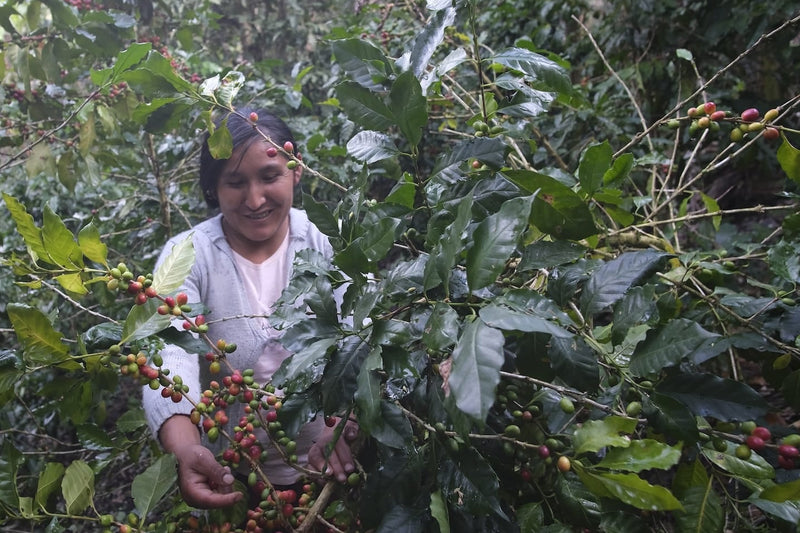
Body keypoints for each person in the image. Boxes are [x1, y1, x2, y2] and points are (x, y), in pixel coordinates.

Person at [141, 107, 357, 509]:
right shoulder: (189, 255)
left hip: (334, 470)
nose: (255, 199)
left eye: (270, 176)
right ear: (214, 189)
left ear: (296, 171)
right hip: (233, 476)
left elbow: (362, 334)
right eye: (235, 183)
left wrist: (346, 424)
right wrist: (188, 451)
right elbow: (169, 354)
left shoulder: (326, 242)